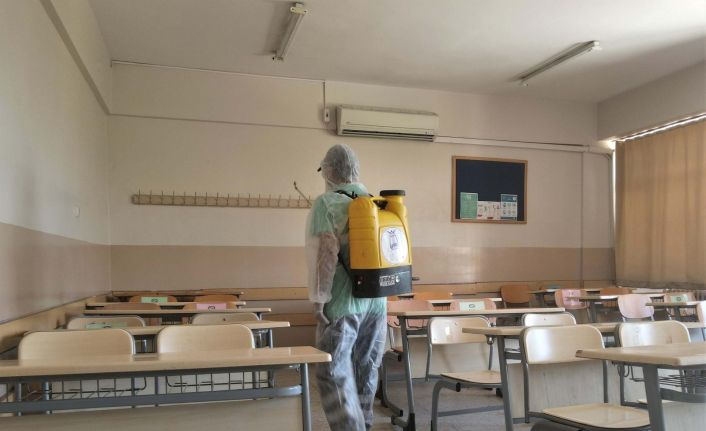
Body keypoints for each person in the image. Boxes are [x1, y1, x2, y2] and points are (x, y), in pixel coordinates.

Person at [306, 144, 387, 431]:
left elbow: (327, 253)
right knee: (366, 367)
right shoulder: (373, 201)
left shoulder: (326, 203)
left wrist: (319, 299)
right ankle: (364, 423)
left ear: (330, 169)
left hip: (343, 302)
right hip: (376, 302)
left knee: (331, 371)